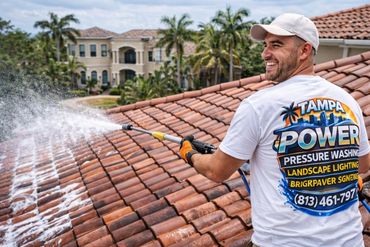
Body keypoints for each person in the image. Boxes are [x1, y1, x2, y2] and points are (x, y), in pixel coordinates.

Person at [179, 13, 370, 247]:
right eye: (265, 45)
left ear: (304, 51)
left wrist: (190, 154)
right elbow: (362, 165)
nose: (265, 53)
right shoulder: (347, 102)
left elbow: (217, 172)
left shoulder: (259, 105)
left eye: (277, 45)